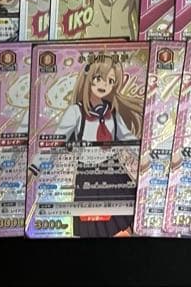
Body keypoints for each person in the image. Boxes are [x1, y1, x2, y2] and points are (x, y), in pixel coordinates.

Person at [55, 54, 143, 237]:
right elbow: (55, 141)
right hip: (88, 176)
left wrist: (147, 156)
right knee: (93, 228)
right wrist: (36, 165)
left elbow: (128, 139)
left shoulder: (112, 113)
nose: (104, 85)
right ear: (88, 78)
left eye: (110, 81)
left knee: (122, 223)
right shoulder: (76, 112)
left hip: (114, 174)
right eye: (99, 78)